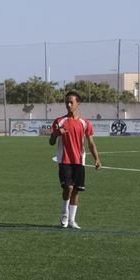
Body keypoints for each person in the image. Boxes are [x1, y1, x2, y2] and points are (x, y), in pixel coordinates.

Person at [48, 91, 102, 229]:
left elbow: (91, 143)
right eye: (67, 102)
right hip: (64, 160)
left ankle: (72, 220)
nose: (68, 105)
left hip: (79, 161)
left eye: (71, 102)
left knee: (76, 190)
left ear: (78, 104)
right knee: (68, 187)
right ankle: (64, 214)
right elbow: (51, 142)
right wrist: (56, 133)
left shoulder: (85, 123)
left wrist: (96, 159)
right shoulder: (59, 121)